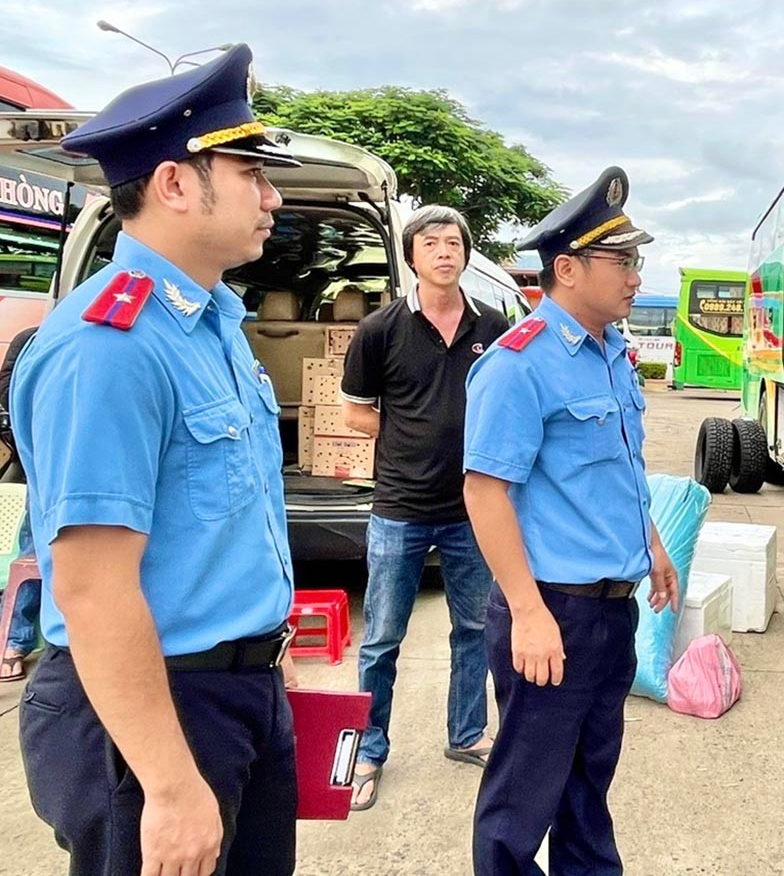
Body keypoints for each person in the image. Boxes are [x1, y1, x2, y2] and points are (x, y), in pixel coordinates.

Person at [11, 45, 304, 876]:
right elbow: (92, 587)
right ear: (175, 184)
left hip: (237, 693)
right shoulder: (111, 345)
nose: (273, 196)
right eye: (252, 173)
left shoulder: (211, 325)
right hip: (153, 713)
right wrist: (171, 788)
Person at [463, 166, 680, 875]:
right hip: (552, 612)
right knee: (522, 800)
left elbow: (620, 470)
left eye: (635, 261)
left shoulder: (613, 353)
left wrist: (653, 547)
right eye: (622, 261)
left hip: (610, 612)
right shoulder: (519, 364)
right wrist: (527, 613)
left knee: (589, 787)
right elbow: (485, 493)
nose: (635, 277)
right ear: (567, 269)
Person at [339, 204, 509, 811]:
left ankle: (467, 734)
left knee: (474, 629)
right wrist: (408, 436)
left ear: (466, 253)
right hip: (399, 508)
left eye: (454, 242)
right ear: (412, 256)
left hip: (471, 508)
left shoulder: (492, 324)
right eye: (431, 243)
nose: (444, 251)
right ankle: (369, 750)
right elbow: (354, 410)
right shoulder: (379, 329)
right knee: (382, 637)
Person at [0, 326, 39, 683]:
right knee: (34, 550)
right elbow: (9, 394)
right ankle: (14, 639)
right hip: (43, 464)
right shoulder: (33, 339)